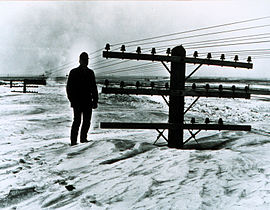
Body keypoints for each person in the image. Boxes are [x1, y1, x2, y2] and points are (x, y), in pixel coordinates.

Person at [66, 52, 98, 146]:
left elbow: (94, 88)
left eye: (87, 60)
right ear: (80, 60)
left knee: (87, 121)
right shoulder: (74, 72)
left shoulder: (90, 73)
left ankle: (83, 139)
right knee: (77, 121)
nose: (85, 61)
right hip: (78, 102)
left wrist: (95, 101)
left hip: (87, 101)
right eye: (84, 60)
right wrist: (72, 100)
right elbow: (69, 88)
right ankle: (73, 142)